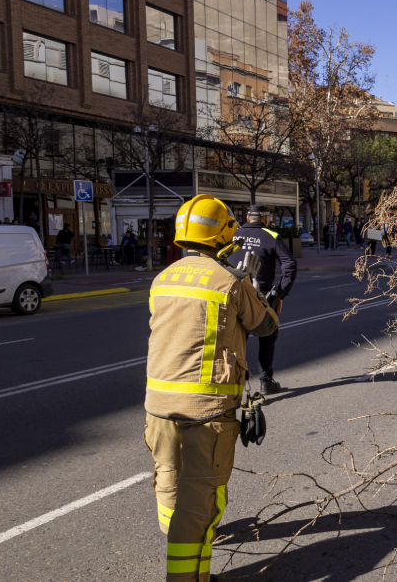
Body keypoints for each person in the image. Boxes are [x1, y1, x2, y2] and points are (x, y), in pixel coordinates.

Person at [144, 194, 277, 582]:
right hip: (207, 408)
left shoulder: (162, 277)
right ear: (222, 234)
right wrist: (253, 287)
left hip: (158, 403)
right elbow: (266, 326)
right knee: (201, 500)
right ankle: (187, 575)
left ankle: (181, 543)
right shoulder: (230, 280)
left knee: (168, 475)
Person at [226, 205, 296, 394]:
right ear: (265, 219)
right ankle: (266, 381)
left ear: (248, 218)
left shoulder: (232, 233)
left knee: (237, 338)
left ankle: (234, 382)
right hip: (260, 293)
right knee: (267, 336)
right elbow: (290, 264)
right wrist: (280, 292)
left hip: (232, 292)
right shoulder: (271, 235)